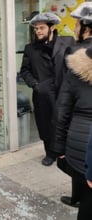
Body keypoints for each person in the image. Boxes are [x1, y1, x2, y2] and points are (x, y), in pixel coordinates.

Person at [49, 3, 92, 217]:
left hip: (81, 141)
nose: (74, 28)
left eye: (77, 24)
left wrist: (58, 148)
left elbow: (63, 108)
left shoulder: (76, 55)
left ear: (87, 28)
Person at [19, 12, 74, 166]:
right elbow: (25, 70)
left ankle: (63, 152)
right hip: (42, 94)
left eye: (42, 28)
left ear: (52, 27)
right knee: (45, 124)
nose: (38, 31)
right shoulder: (30, 48)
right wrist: (36, 85)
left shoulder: (67, 42)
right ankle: (49, 153)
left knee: (64, 122)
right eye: (36, 29)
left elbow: (74, 66)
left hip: (63, 92)